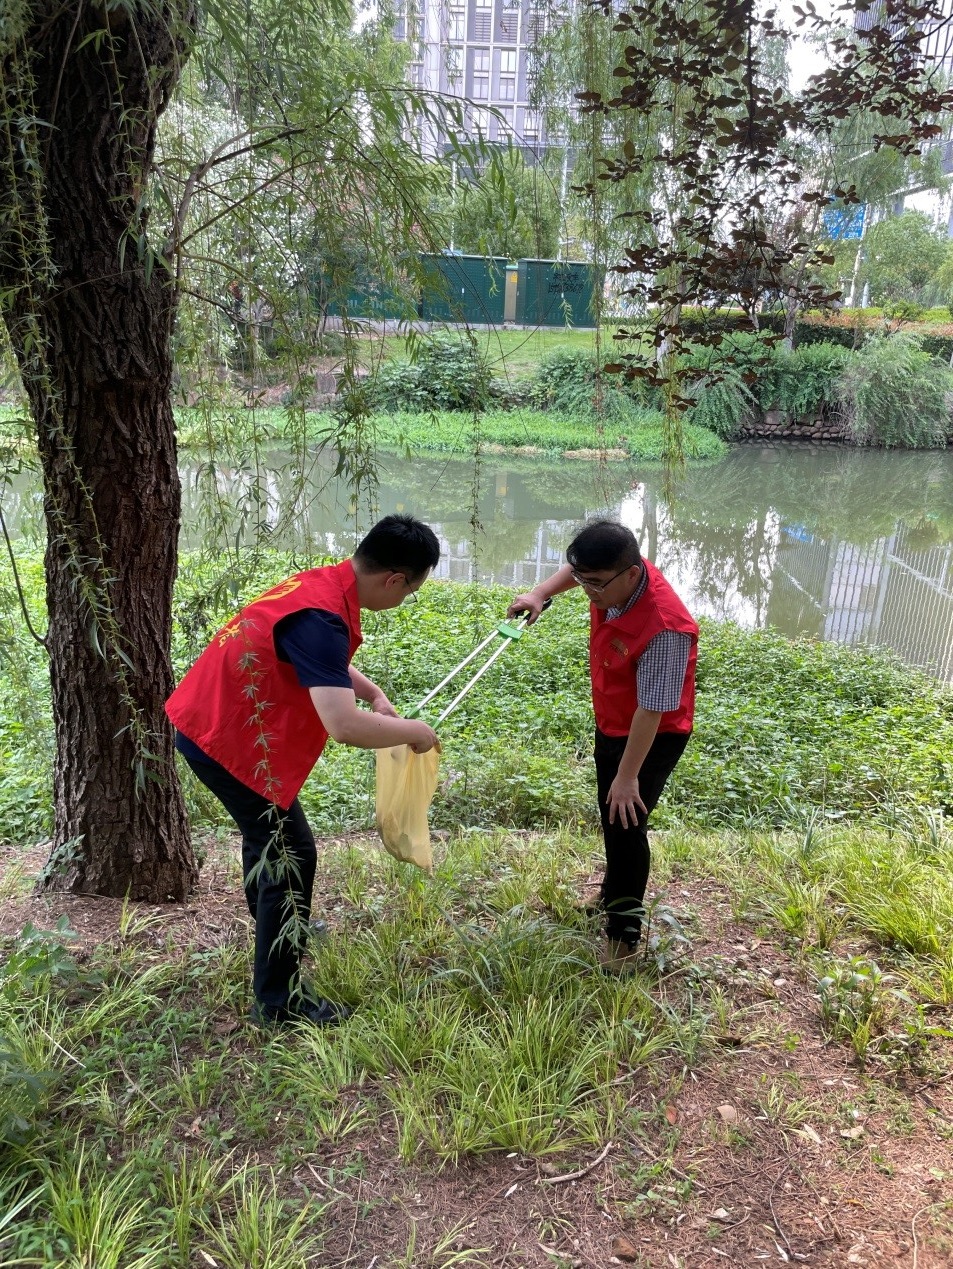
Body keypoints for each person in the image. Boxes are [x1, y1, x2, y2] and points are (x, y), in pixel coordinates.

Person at [166, 514, 440, 1026]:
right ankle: (280, 1001)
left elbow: (317, 658)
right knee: (292, 855)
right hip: (227, 740)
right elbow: (343, 726)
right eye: (410, 592)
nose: (405, 600)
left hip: (217, 723)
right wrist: (414, 732)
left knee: (271, 840)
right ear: (394, 580)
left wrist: (373, 691)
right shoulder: (323, 616)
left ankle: (276, 922)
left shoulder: (322, 585)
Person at [508, 520, 697, 974]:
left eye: (594, 583)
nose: (587, 590)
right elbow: (579, 572)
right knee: (612, 817)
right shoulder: (616, 577)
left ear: (630, 574)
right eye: (583, 579)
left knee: (625, 824)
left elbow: (652, 710)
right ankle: (612, 894)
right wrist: (539, 593)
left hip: (652, 735)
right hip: (615, 721)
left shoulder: (665, 628)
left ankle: (623, 938)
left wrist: (628, 776)